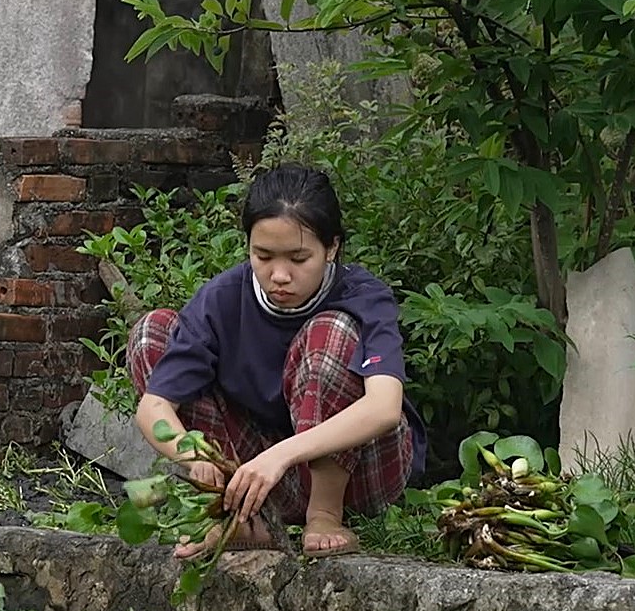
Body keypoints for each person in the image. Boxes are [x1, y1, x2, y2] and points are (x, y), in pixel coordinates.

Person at [128, 163, 427, 560]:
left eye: (299, 258)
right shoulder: (223, 298)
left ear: (332, 247)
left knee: (331, 330)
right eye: (263, 256)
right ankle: (242, 515)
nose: (279, 275)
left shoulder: (363, 296)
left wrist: (280, 456)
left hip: (363, 471)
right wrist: (193, 455)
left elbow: (384, 409)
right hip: (260, 475)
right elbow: (153, 406)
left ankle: (324, 515)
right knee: (154, 332)